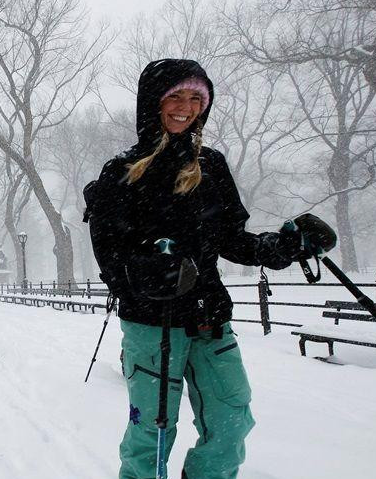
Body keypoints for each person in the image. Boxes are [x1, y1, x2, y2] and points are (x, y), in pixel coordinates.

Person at [84, 59, 327, 479]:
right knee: (152, 431)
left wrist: (284, 245)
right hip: (151, 321)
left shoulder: (210, 165)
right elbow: (109, 256)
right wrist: (141, 274)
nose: (186, 106)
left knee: (232, 417)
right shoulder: (121, 172)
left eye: (196, 98)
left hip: (209, 316)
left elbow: (234, 239)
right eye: (175, 96)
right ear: (152, 104)